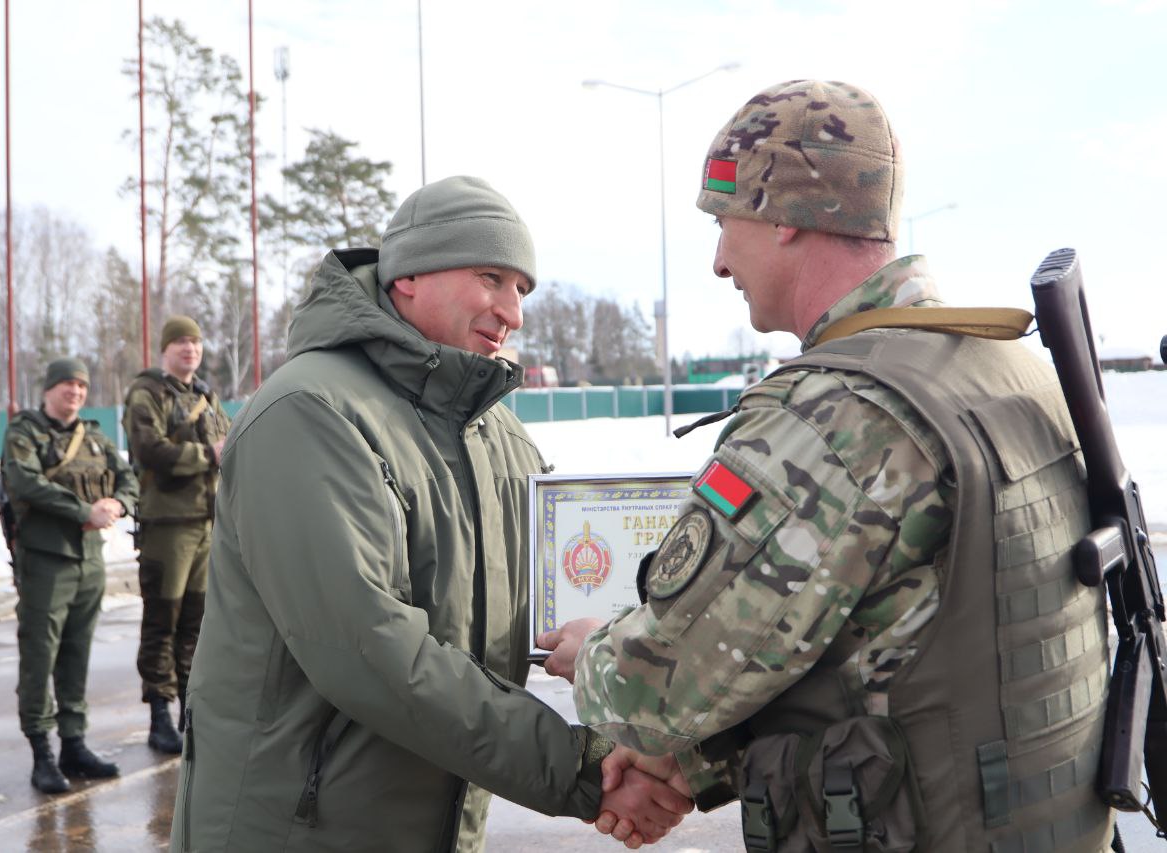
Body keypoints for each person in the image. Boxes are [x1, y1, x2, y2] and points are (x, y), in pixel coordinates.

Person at [541, 80, 1115, 851]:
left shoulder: (836, 417)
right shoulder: (1009, 372)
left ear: (783, 214)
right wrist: (690, 767)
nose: (718, 261)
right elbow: (892, 646)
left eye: (724, 221)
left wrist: (592, 658)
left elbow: (656, 688)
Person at [172, 175, 692, 852]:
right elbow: (370, 650)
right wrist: (583, 768)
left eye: (522, 289)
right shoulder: (309, 413)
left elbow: (558, 602)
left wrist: (635, 685)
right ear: (410, 275)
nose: (513, 311)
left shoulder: (501, 439)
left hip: (439, 826)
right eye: (491, 278)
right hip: (295, 829)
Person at [1, 358, 138, 795]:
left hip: (89, 560)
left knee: (77, 653)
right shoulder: (25, 432)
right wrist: (84, 511)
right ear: (48, 390)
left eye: (81, 386)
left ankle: (74, 743)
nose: (75, 392)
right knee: (40, 655)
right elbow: (25, 482)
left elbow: (127, 477)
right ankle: (41, 752)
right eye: (66, 385)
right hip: (46, 560)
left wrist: (118, 503)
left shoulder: (95, 436)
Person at [123, 316, 229, 755]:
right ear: (165, 349)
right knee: (162, 621)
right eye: (181, 342)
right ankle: (159, 716)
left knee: (197, 623)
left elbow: (229, 443)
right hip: (168, 524)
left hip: (206, 522)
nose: (190, 349)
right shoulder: (147, 392)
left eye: (196, 342)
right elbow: (150, 449)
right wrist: (208, 454)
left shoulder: (205, 395)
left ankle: (191, 710)